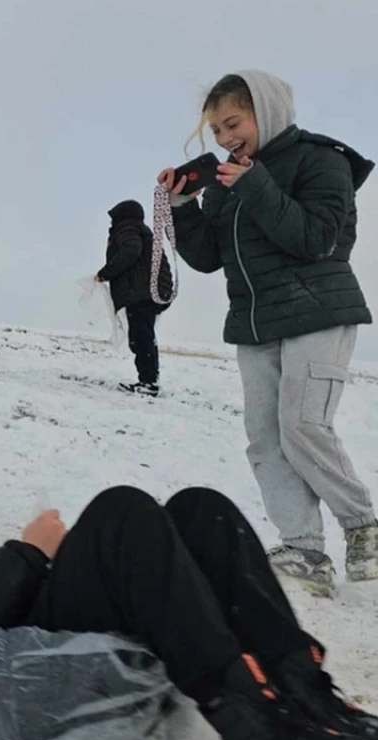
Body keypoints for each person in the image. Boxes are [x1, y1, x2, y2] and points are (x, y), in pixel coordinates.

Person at [0, 478, 378, 740]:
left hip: (73, 664)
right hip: (16, 704)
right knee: (119, 510)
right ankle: (249, 722)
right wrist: (28, 554)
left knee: (201, 509)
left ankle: (306, 696)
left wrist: (50, 563)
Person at [159, 70, 377, 594]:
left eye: (233, 123)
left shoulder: (321, 160)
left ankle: (364, 526)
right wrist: (185, 205)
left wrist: (255, 184)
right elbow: (209, 258)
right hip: (255, 323)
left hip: (318, 311)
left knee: (302, 424)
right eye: (216, 131)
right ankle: (304, 549)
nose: (225, 138)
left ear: (267, 110)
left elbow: (317, 239)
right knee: (264, 440)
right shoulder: (228, 180)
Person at [96, 199, 174, 396]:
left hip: (141, 293)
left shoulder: (128, 229)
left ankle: (148, 382)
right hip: (150, 291)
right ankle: (149, 380)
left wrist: (106, 272)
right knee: (143, 335)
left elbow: (130, 251)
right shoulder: (141, 230)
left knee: (141, 336)